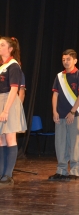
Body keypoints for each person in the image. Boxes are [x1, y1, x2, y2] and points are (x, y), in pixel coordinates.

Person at [49, 49, 79, 181]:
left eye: (68, 59)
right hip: (60, 114)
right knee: (60, 143)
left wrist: (72, 111)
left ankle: (75, 171)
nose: (65, 62)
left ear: (75, 60)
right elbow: (55, 94)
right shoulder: (59, 76)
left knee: (75, 143)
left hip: (74, 115)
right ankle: (61, 170)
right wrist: (54, 111)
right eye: (63, 59)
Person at [0, 37, 26, 186]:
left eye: (2, 45)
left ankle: (8, 174)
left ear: (10, 49)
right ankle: (1, 172)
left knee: (10, 138)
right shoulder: (2, 66)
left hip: (9, 102)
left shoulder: (13, 66)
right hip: (0, 101)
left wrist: (6, 110)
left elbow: (14, 88)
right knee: (1, 139)